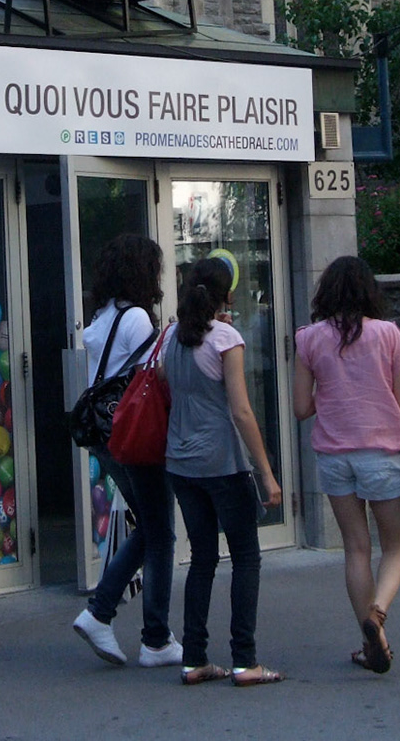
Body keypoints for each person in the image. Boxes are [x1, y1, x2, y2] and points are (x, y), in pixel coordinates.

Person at [160, 257, 284, 687]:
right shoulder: (226, 338)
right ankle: (245, 660)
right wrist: (266, 473)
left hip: (180, 460)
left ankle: (194, 658)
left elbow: (166, 380)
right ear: (227, 295)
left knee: (203, 558)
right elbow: (242, 411)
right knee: (246, 557)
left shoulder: (171, 337)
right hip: (222, 462)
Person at [292, 257, 400, 674]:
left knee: (356, 548)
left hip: (334, 455)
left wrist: (333, 392)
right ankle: (377, 614)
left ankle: (372, 643)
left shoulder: (309, 339)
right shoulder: (389, 335)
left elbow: (301, 407)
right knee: (396, 545)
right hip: (381, 452)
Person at [70, 234, 181, 669]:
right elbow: (156, 375)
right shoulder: (135, 318)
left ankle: (102, 613)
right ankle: (152, 636)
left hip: (108, 435)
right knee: (161, 531)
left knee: (152, 527)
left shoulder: (103, 317)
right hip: (137, 435)